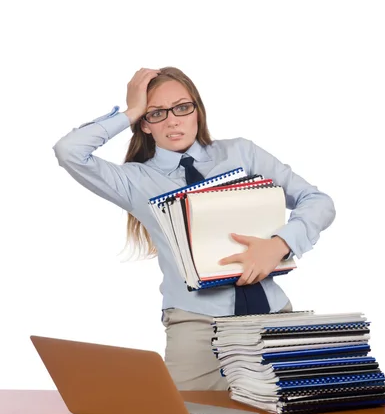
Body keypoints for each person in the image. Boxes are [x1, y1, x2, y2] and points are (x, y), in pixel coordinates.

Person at [53, 66, 336, 391]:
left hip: (272, 313)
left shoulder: (241, 153)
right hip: (196, 325)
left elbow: (318, 202)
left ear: (197, 112)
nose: (173, 120)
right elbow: (69, 151)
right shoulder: (134, 181)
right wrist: (130, 110)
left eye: (182, 108)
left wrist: (279, 244)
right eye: (156, 113)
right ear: (144, 124)